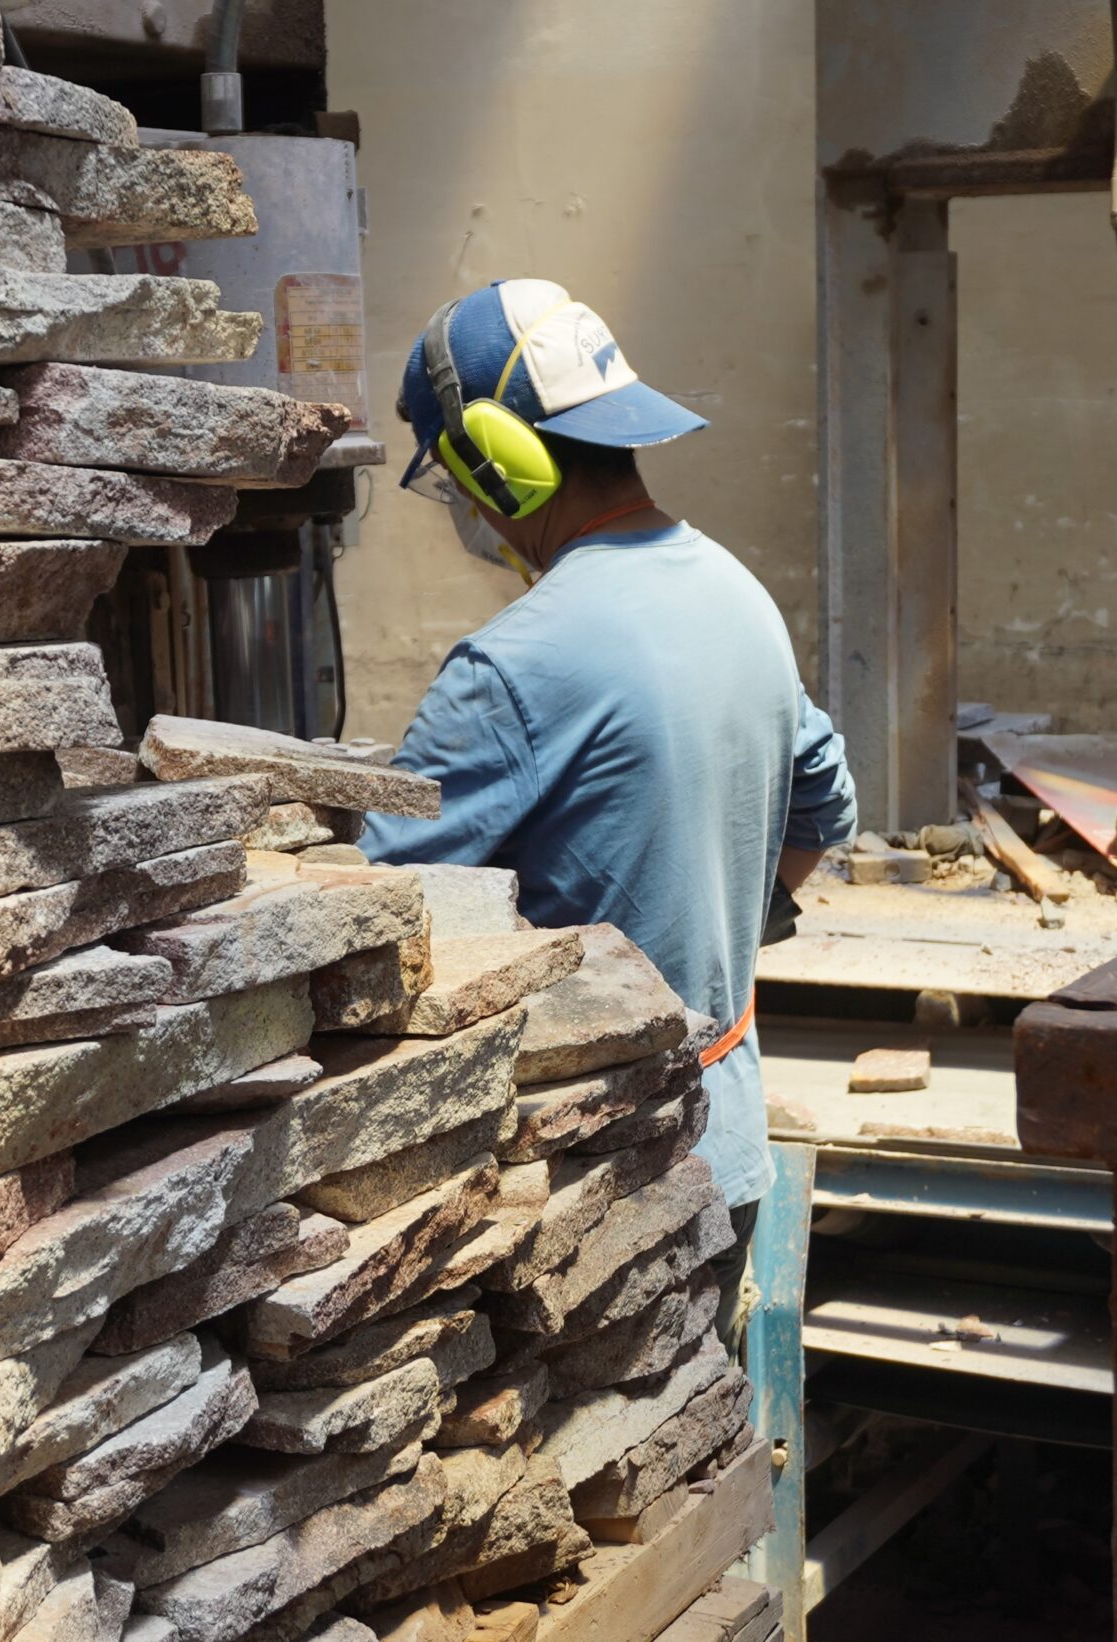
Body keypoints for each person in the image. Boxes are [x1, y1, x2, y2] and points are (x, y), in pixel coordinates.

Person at [360, 278, 857, 1358]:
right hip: (727, 1148)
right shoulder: (736, 592)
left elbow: (370, 929)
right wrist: (719, 923)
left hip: (594, 1195)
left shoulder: (511, 665)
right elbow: (826, 805)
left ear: (496, 461)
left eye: (455, 476)